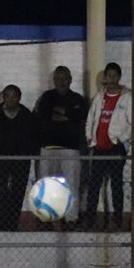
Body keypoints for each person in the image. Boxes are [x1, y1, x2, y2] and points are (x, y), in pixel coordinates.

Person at [0, 85, 40, 231]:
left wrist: (32, 152)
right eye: (8, 95)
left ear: (19, 98)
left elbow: (34, 136)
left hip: (21, 160)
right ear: (3, 97)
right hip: (0, 160)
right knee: (1, 190)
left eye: (14, 96)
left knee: (18, 190)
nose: (11, 99)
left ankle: (13, 221)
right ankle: (0, 221)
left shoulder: (27, 116)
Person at [82, 62, 132, 230]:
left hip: (115, 147)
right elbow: (91, 118)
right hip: (99, 147)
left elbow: (133, 124)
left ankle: (117, 219)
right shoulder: (100, 96)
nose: (110, 79)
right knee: (94, 184)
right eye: (108, 76)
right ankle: (90, 220)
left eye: (114, 76)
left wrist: (120, 139)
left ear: (119, 77)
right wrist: (90, 138)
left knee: (116, 184)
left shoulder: (127, 97)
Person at [34, 65, 88, 215]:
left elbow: (79, 119)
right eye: (58, 78)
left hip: (71, 149)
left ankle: (70, 218)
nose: (61, 81)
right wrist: (68, 114)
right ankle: (45, 217)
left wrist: (57, 113)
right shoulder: (46, 97)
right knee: (45, 186)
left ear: (70, 80)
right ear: (53, 80)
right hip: (48, 148)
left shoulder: (77, 99)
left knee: (72, 186)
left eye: (64, 78)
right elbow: (44, 117)